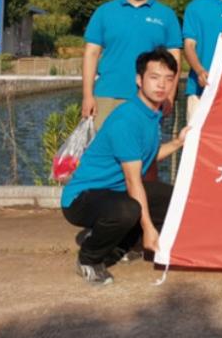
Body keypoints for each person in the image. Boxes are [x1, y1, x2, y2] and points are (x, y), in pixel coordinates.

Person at [62, 48, 189, 286]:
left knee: (172, 199)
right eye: (154, 77)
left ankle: (121, 246)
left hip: (114, 192)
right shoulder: (127, 119)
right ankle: (89, 258)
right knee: (128, 209)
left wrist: (178, 143)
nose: (162, 85)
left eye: (168, 79)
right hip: (82, 198)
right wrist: (148, 228)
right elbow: (133, 180)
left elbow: (146, 157)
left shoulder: (151, 113)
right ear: (139, 80)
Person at [82, 0, 182, 130]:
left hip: (149, 98)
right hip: (107, 95)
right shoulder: (105, 11)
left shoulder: (166, 15)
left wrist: (170, 95)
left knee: (143, 146)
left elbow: (174, 58)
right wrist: (87, 95)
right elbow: (91, 53)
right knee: (104, 145)